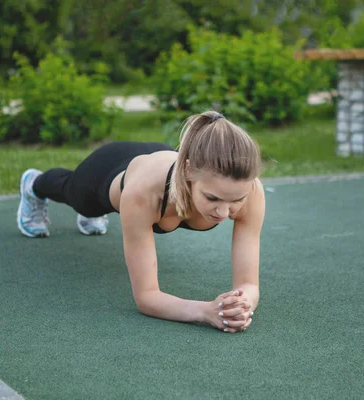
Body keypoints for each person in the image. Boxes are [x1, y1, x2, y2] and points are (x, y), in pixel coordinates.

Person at [16, 111, 265, 333]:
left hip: (158, 162)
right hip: (109, 170)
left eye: (236, 200)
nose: (223, 212)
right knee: (75, 196)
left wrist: (241, 303)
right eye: (212, 198)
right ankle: (33, 185)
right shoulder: (144, 193)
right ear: (188, 171)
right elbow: (147, 297)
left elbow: (249, 283)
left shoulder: (251, 191)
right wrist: (206, 311)